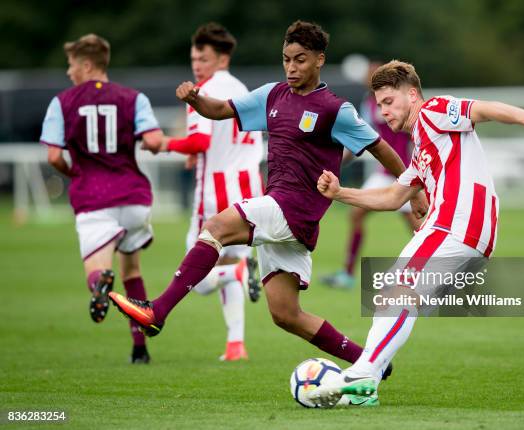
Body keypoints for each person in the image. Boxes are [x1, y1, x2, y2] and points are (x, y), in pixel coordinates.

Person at [109, 21, 421, 391]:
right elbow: (220, 110)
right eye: (286, 59)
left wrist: (414, 190)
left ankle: (157, 311)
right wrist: (195, 99)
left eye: (300, 60)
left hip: (293, 208)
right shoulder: (273, 95)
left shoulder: (334, 109)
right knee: (286, 315)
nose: (291, 68)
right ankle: (371, 361)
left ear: (319, 60)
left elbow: (380, 148)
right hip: (286, 214)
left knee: (217, 227)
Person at [309, 60, 524, 407]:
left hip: (457, 223)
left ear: (412, 95)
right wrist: (341, 194)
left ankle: (365, 373)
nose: (383, 112)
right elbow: (393, 196)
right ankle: (366, 383)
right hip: (465, 230)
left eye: (389, 101)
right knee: (396, 296)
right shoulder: (422, 150)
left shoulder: (433, 111)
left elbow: (481, 109)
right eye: (380, 104)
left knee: (398, 290)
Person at [142, 23, 264, 361]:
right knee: (225, 261)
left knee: (198, 275)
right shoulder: (243, 89)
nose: (197, 65)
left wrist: (165, 143)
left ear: (222, 58)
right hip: (248, 187)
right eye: (194, 58)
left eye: (204, 58)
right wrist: (198, 152)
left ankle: (238, 272)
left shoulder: (202, 90)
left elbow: (201, 139)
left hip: (214, 189)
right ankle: (236, 344)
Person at [40, 34, 164, 363]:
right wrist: (149, 145)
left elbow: (54, 157)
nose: (69, 72)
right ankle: (140, 349)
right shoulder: (133, 98)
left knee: (97, 273)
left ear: (86, 64)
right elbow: (153, 139)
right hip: (134, 198)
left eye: (71, 65)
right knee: (133, 269)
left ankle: (100, 284)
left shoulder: (62, 102)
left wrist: (76, 174)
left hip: (94, 199)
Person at [320, 61, 426, 289]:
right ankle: (347, 275)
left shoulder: (400, 102)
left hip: (404, 172)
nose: (369, 78)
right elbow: (361, 137)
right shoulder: (370, 104)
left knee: (419, 229)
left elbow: (414, 134)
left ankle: (439, 274)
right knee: (356, 216)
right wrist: (338, 162)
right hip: (383, 172)